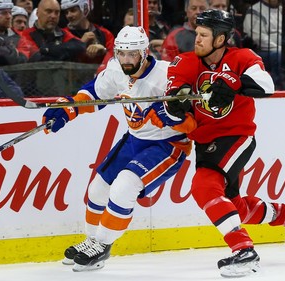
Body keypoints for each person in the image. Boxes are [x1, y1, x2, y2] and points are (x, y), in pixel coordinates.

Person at [149, 9, 285, 278]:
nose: (197, 39)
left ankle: (243, 250)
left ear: (221, 38)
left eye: (204, 35)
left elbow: (266, 84)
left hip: (236, 136)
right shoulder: (186, 62)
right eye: (197, 34)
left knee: (203, 187)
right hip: (204, 140)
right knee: (233, 206)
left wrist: (235, 83)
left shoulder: (242, 57)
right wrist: (177, 101)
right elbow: (175, 95)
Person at [41, 26, 195, 272]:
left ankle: (101, 246)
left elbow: (194, 120)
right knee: (97, 190)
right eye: (121, 54)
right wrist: (68, 109)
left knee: (125, 185)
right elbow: (94, 95)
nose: (125, 60)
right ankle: (92, 241)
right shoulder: (115, 69)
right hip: (134, 139)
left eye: (131, 54)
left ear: (144, 53)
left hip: (168, 145)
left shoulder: (168, 75)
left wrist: (171, 117)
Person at [243, 0, 285, 89]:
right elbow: (259, 38)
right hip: (264, 52)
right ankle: (276, 88)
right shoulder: (254, 10)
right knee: (277, 56)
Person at [22, 0, 86, 62]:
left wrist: (48, 49)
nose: (53, 16)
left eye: (57, 12)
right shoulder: (26, 34)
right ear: (37, 13)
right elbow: (39, 59)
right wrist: (64, 53)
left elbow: (80, 46)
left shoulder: (62, 33)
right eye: (48, 11)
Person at [60, 0, 115, 73]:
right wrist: (80, 44)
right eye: (66, 12)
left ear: (85, 9)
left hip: (99, 81)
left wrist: (104, 51)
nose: (69, 15)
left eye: (73, 10)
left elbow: (115, 60)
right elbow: (60, 60)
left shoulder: (105, 34)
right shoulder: (62, 34)